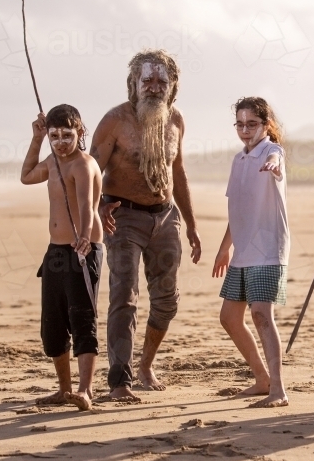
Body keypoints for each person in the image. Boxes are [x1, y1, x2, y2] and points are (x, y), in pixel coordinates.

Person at [90, 49, 202, 402]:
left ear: (172, 88)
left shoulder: (176, 120)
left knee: (167, 300)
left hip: (165, 217)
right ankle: (119, 380)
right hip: (122, 218)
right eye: (147, 80)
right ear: (134, 84)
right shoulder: (115, 121)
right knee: (124, 296)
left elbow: (178, 170)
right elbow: (91, 171)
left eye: (161, 82)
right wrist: (100, 205)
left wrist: (192, 225)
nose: (154, 87)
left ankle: (145, 366)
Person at [20, 104, 104, 412]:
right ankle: (64, 389)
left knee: (82, 318)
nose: (60, 142)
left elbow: (87, 205)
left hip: (82, 249)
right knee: (53, 324)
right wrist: (37, 138)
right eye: (54, 136)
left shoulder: (83, 164)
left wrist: (83, 237)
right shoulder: (52, 161)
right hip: (55, 251)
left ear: (80, 132)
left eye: (67, 135)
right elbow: (26, 176)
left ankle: (85, 390)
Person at [212, 97, 291, 408]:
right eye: (240, 124)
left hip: (268, 248)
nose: (245, 130)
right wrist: (224, 248)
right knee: (229, 318)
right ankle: (262, 379)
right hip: (243, 250)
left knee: (261, 314)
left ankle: (278, 390)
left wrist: (272, 166)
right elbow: (238, 211)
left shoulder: (273, 151)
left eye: (252, 124)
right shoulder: (238, 160)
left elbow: (277, 160)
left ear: (266, 125)